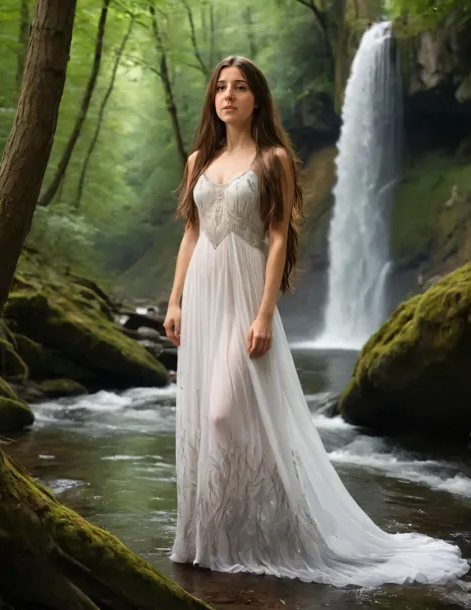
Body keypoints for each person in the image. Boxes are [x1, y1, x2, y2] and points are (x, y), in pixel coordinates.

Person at [163, 55, 469, 586]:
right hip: (201, 296)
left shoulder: (273, 159)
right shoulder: (198, 162)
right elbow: (191, 235)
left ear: (257, 98)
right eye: (220, 88)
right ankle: (214, 536)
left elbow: (278, 237)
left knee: (220, 414)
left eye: (239, 87)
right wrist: (173, 301)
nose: (228, 96)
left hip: (242, 301)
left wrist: (264, 312)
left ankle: (271, 532)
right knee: (205, 420)